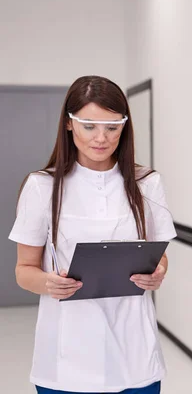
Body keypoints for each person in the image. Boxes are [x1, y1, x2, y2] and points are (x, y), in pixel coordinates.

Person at [10, 76, 176, 394]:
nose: (101, 138)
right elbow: (24, 270)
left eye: (112, 127)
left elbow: (159, 254)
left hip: (135, 354)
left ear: (124, 127)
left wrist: (158, 272)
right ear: (69, 124)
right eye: (89, 126)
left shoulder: (147, 183)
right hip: (67, 356)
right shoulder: (42, 186)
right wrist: (49, 283)